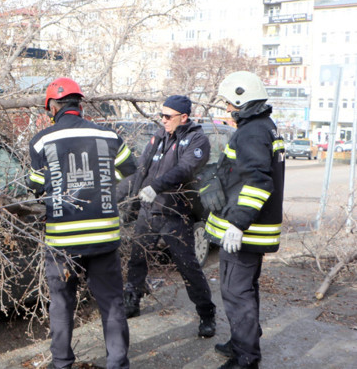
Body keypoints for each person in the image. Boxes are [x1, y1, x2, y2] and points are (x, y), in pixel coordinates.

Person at [27, 77, 137, 369]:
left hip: (63, 242)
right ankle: (117, 363)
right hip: (103, 237)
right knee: (111, 303)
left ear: (52, 105)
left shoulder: (41, 140)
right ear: (80, 103)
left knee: (62, 305)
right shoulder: (108, 135)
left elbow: (36, 185)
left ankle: (62, 363)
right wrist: (100, 183)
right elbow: (129, 167)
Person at [200, 71, 285, 369]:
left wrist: (237, 223)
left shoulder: (252, 132)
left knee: (237, 293)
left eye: (228, 103)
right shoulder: (264, 127)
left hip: (244, 232)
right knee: (245, 289)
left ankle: (246, 357)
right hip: (254, 229)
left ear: (241, 99)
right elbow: (242, 173)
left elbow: (258, 182)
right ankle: (242, 340)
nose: (226, 109)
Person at [122, 95, 216, 338]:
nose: (162, 120)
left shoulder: (197, 139)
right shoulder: (159, 136)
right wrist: (128, 200)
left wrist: (157, 187)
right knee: (137, 260)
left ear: (183, 117)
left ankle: (207, 314)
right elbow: (141, 169)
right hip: (148, 211)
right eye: (161, 115)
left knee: (187, 266)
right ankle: (132, 302)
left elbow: (184, 169)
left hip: (176, 212)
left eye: (167, 116)